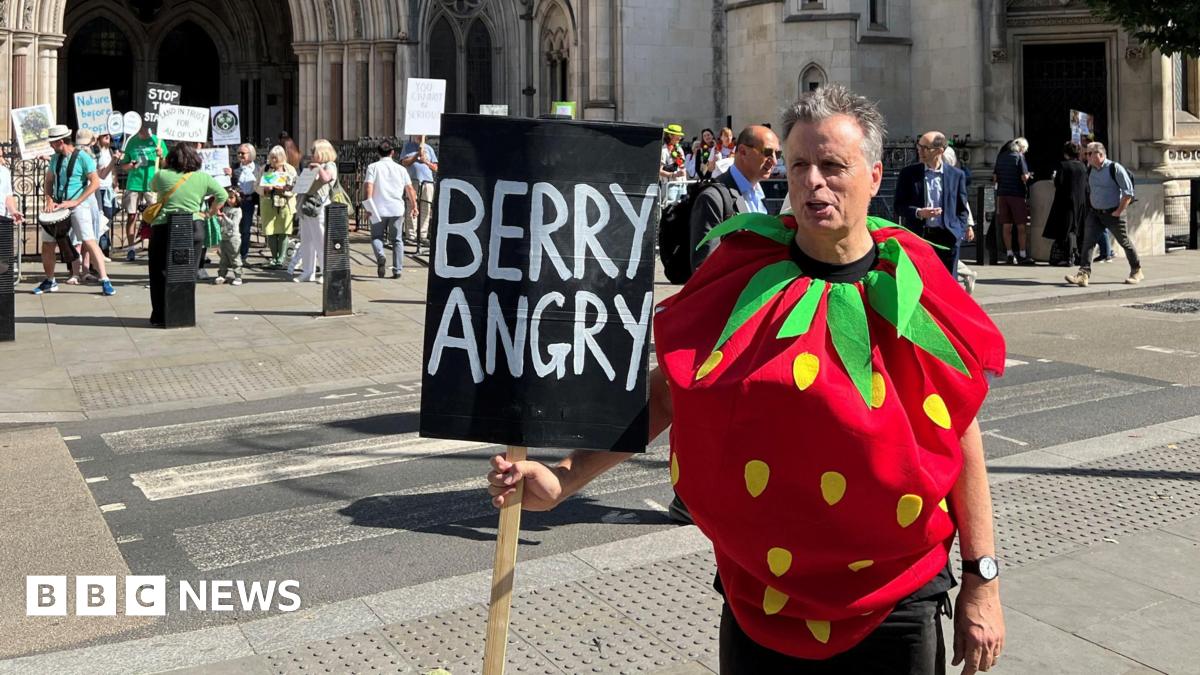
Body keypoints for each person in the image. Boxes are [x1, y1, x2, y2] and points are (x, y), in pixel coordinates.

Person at [487, 84, 1006, 674]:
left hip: (896, 600)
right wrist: (565, 477)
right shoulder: (744, 274)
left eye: (833, 166)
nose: (813, 182)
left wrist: (981, 580)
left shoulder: (914, 283)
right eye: (800, 164)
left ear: (874, 174)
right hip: (762, 596)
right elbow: (666, 394)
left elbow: (959, 433)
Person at [147, 142, 227, 325]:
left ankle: (160, 314)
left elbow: (153, 187)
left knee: (159, 272)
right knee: (187, 272)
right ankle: (183, 312)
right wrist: (210, 213)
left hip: (164, 227)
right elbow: (222, 194)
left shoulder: (162, 175)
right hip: (193, 225)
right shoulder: (202, 178)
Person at [689, 125, 781, 274]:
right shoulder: (712, 198)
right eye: (768, 153)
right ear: (743, 151)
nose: (774, 161)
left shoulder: (758, 194)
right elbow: (704, 270)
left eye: (778, 153)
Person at [37, 124, 115, 296]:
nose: (51, 146)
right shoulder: (55, 158)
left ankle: (105, 279)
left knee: (88, 240)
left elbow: (95, 182)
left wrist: (77, 201)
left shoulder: (83, 157)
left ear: (61, 142)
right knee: (47, 244)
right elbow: (49, 180)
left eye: (53, 143)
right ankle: (50, 280)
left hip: (78, 205)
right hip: (58, 205)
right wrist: (49, 199)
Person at [1065, 142, 1142, 287]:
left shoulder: (1114, 168)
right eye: (1086, 153)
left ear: (1099, 154)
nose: (1085, 156)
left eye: (1089, 153)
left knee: (1124, 242)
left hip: (1113, 213)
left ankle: (1136, 270)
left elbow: (1128, 193)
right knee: (1088, 243)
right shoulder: (1090, 170)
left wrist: (1118, 212)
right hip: (1095, 213)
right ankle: (1083, 274)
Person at [893, 131, 970, 275]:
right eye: (919, 146)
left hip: (947, 238)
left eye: (925, 148)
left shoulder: (956, 175)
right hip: (920, 237)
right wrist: (918, 212)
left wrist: (958, 233)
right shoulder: (908, 174)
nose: (920, 151)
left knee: (948, 286)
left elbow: (962, 208)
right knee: (922, 283)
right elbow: (899, 207)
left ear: (940, 150)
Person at [364, 140, 418, 279]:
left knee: (376, 237)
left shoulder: (373, 167)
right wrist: (414, 205)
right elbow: (410, 188)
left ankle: (381, 255)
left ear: (378, 152)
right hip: (396, 209)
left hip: (378, 209)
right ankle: (397, 270)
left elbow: (368, 186)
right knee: (397, 240)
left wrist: (368, 205)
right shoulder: (401, 169)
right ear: (392, 153)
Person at [117, 125, 168, 261]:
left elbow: (166, 164)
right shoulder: (132, 141)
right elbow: (124, 165)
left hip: (152, 183)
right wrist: (131, 166)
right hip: (134, 183)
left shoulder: (158, 140)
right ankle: (131, 248)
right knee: (131, 216)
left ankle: (154, 246)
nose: (146, 130)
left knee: (155, 216)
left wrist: (161, 155)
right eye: (143, 128)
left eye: (148, 128)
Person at [292, 139, 338, 283]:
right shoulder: (311, 167)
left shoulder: (330, 165)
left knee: (321, 241)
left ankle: (325, 271)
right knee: (307, 240)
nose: (311, 154)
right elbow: (300, 186)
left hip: (319, 207)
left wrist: (318, 167)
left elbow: (326, 179)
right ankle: (308, 271)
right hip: (306, 206)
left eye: (314, 152)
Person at [1045, 142, 1088, 267]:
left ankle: (1066, 257)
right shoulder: (1082, 166)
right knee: (1079, 230)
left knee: (1065, 229)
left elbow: (1059, 183)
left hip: (1065, 202)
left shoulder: (1063, 166)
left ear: (1066, 153)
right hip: (1080, 202)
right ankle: (1080, 256)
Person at [943, 146, 979, 295]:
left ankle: (967, 274)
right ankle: (966, 274)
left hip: (951, 224)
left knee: (946, 257)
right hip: (936, 224)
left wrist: (968, 225)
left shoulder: (954, 176)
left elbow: (963, 203)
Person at [991, 138, 1033, 265]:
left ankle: (1009, 253)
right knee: (1021, 226)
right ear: (1021, 148)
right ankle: (1022, 254)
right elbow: (1024, 177)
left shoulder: (1001, 157)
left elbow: (994, 177)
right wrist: (1029, 175)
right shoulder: (1019, 157)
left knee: (1006, 225)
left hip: (1002, 195)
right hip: (1017, 195)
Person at [257, 145, 297, 269]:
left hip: (285, 204)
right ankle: (274, 258)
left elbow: (296, 187)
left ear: (282, 158)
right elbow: (256, 185)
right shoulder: (265, 169)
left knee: (283, 231)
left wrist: (285, 190)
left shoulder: (289, 169)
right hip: (268, 203)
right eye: (271, 157)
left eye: (275, 158)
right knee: (270, 231)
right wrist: (264, 189)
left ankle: (281, 258)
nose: (273, 160)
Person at [400, 134, 438, 247]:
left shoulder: (429, 149)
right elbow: (404, 162)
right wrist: (416, 155)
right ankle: (411, 235)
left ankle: (423, 235)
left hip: (427, 182)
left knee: (426, 207)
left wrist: (426, 161)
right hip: (413, 181)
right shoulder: (408, 146)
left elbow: (436, 167)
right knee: (412, 206)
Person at [232, 143, 261, 265]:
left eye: (242, 153)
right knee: (234, 229)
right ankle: (233, 254)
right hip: (235, 202)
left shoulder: (258, 169)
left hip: (249, 202)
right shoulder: (233, 167)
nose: (240, 155)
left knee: (245, 229)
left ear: (251, 154)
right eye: (238, 153)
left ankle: (243, 255)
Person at [94, 130, 120, 258]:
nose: (107, 136)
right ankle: (101, 250)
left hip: (108, 189)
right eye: (104, 135)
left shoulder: (110, 151)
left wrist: (115, 183)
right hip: (98, 189)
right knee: (100, 220)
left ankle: (104, 248)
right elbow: (102, 173)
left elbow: (112, 170)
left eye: (108, 135)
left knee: (107, 221)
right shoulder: (95, 152)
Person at [213, 191, 243, 285]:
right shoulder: (225, 208)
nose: (229, 200)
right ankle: (222, 275)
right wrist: (218, 217)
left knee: (235, 257)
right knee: (223, 258)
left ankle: (238, 276)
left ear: (237, 199)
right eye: (228, 198)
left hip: (233, 237)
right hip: (224, 236)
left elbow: (234, 224)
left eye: (231, 198)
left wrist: (224, 216)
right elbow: (222, 223)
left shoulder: (238, 210)